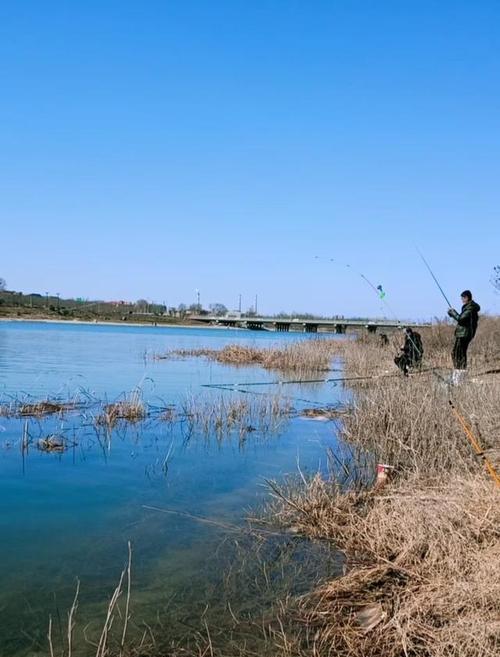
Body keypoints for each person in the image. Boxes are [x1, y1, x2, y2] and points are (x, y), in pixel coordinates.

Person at [447, 290, 480, 383]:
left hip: (464, 334)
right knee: (457, 353)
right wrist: (452, 313)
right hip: (462, 333)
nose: (462, 300)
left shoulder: (470, 308)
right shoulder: (469, 307)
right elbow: (462, 318)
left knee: (458, 353)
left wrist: (453, 313)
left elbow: (461, 319)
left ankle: (459, 376)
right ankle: (458, 375)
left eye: (463, 298)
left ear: (467, 297)